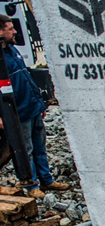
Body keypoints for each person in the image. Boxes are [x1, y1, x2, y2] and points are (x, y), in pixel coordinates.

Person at [0, 15, 69, 198]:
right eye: (10, 28)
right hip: (18, 112)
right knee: (25, 149)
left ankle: (46, 179)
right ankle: (31, 186)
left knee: (39, 145)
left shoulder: (12, 49)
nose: (15, 31)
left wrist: (40, 104)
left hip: (32, 108)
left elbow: (26, 78)